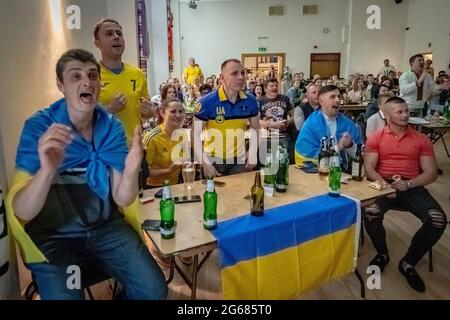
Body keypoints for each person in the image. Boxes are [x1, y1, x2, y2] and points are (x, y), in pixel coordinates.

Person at [5, 49, 167, 300]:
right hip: (55, 237)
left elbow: (122, 198)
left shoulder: (111, 127)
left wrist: (132, 169)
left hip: (105, 229)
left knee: (153, 291)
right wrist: (47, 171)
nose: (87, 82)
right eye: (76, 76)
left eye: (93, 76)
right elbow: (22, 211)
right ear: (61, 85)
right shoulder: (40, 127)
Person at [363, 97, 447, 293]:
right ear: (388, 115)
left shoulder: (421, 139)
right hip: (383, 184)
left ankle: (408, 262)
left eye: (407, 111)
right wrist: (386, 186)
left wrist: (409, 183)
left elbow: (431, 173)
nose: (405, 115)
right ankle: (382, 253)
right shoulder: (376, 137)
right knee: (370, 211)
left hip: (412, 185)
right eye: (399, 112)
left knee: (438, 219)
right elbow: (369, 168)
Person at [193, 59, 260, 177]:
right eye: (234, 73)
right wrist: (205, 163)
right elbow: (195, 134)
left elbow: (255, 128)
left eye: (243, 73)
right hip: (213, 159)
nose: (241, 77)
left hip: (239, 159)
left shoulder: (250, 100)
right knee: (213, 194)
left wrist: (253, 150)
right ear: (222, 78)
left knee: (240, 194)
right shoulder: (206, 102)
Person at [93, 18, 154, 144]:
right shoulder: (90, 76)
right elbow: (81, 117)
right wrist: (110, 109)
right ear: (97, 44)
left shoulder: (137, 74)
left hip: (134, 150)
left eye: (119, 33)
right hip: (105, 153)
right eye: (109, 34)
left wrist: (148, 112)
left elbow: (146, 113)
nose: (116, 37)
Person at [295, 85, 362, 169]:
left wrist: (350, 145)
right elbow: (304, 153)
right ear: (321, 102)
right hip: (316, 172)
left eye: (339, 96)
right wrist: (338, 148)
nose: (338, 100)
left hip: (343, 172)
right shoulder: (311, 124)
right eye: (332, 97)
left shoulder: (348, 124)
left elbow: (361, 154)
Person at [143, 98, 188, 188]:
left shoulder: (183, 134)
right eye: (173, 111)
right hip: (153, 187)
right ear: (162, 113)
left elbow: (184, 159)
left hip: (176, 184)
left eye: (181, 111)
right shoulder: (152, 137)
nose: (178, 115)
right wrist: (168, 170)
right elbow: (144, 171)